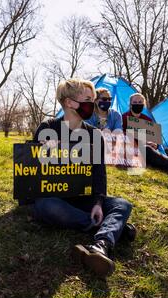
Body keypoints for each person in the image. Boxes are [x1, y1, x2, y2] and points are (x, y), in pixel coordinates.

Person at [32, 79, 135, 278]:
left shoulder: (95, 134)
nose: (93, 104)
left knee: (123, 205)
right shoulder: (48, 126)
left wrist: (97, 202)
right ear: (69, 103)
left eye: (93, 100)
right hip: (54, 197)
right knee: (45, 206)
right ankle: (111, 229)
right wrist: (43, 148)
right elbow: (30, 167)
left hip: (83, 196)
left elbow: (99, 172)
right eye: (88, 99)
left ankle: (100, 245)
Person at [122, 93, 168, 177]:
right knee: (146, 149)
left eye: (140, 102)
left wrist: (154, 144)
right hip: (131, 149)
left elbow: (153, 138)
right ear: (130, 104)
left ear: (144, 104)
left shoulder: (147, 119)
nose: (137, 104)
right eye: (135, 102)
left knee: (150, 150)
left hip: (146, 148)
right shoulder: (124, 118)